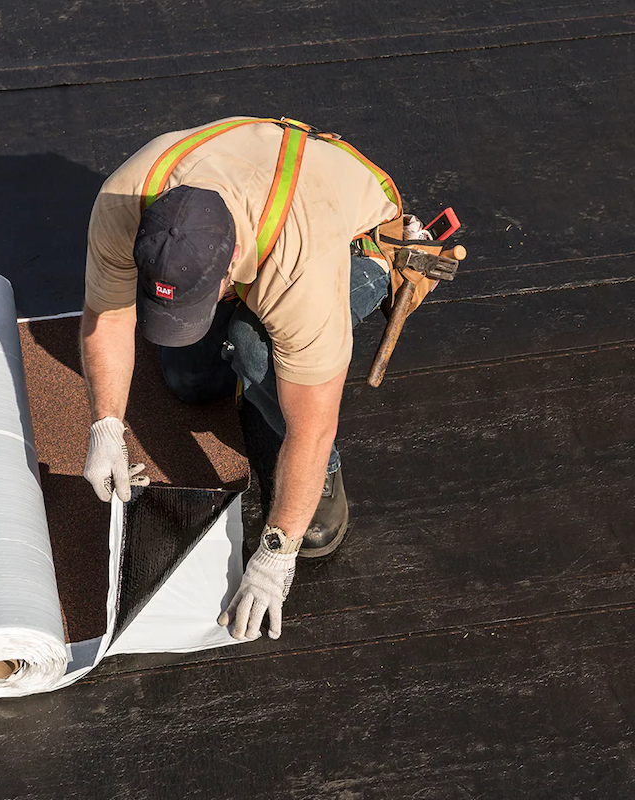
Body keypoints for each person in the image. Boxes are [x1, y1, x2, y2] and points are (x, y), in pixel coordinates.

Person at [80, 116, 418, 643]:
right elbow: (108, 315)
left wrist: (277, 552)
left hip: (355, 239)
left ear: (232, 262)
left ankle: (326, 479)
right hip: (250, 210)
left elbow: (313, 427)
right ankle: (232, 335)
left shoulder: (300, 269)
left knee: (254, 348)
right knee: (189, 379)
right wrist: (105, 425)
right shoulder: (126, 200)